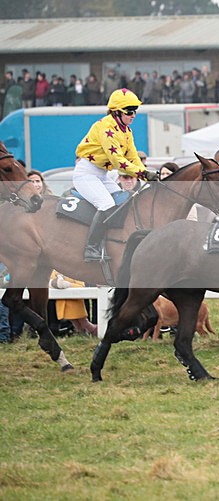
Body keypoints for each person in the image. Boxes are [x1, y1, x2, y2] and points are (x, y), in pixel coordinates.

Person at [72, 88, 158, 261]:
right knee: (106, 204)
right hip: (86, 173)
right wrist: (143, 173)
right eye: (129, 111)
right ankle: (91, 248)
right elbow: (119, 161)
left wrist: (148, 175)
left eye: (135, 111)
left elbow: (133, 157)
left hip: (102, 174)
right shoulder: (105, 127)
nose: (133, 115)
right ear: (117, 111)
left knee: (125, 201)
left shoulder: (126, 131)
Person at [49, 272, 98, 336]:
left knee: (83, 322)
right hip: (63, 304)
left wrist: (67, 285)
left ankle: (94, 331)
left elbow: (81, 286)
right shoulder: (55, 271)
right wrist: (55, 283)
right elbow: (50, 282)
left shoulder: (74, 271)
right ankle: (82, 334)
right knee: (75, 322)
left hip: (76, 303)